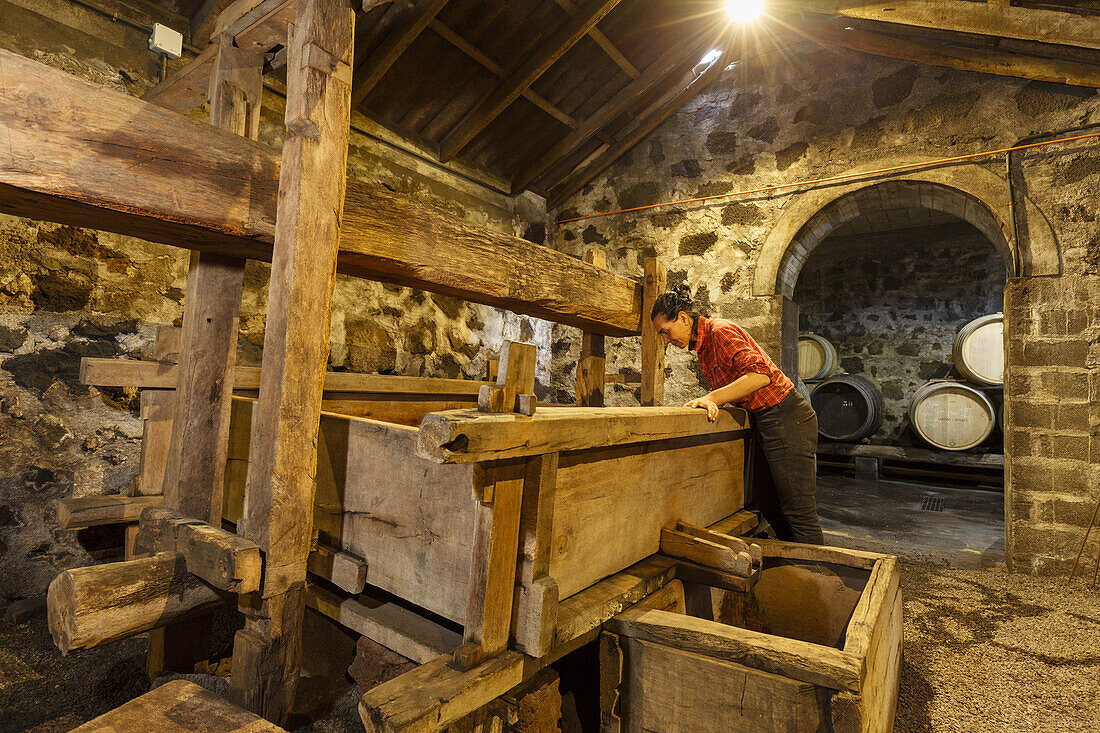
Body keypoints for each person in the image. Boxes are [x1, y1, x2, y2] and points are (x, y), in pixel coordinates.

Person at [651, 284, 825, 545]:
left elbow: (760, 376)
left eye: (666, 331)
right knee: (764, 498)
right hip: (765, 419)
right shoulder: (703, 349)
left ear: (684, 319)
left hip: (787, 416)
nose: (665, 340)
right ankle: (797, 560)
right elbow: (736, 389)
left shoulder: (721, 332)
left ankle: (819, 576)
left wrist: (713, 397)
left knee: (798, 508)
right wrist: (716, 403)